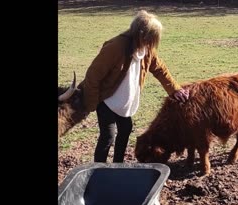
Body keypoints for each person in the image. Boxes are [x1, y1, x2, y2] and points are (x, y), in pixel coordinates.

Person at [78, 10, 189, 163]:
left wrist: (174, 89)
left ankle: (118, 164)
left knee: (125, 129)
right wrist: (92, 104)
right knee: (108, 135)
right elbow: (93, 76)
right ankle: (98, 168)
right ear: (142, 34)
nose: (152, 43)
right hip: (107, 100)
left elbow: (160, 69)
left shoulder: (147, 49)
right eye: (150, 39)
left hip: (125, 101)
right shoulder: (115, 47)